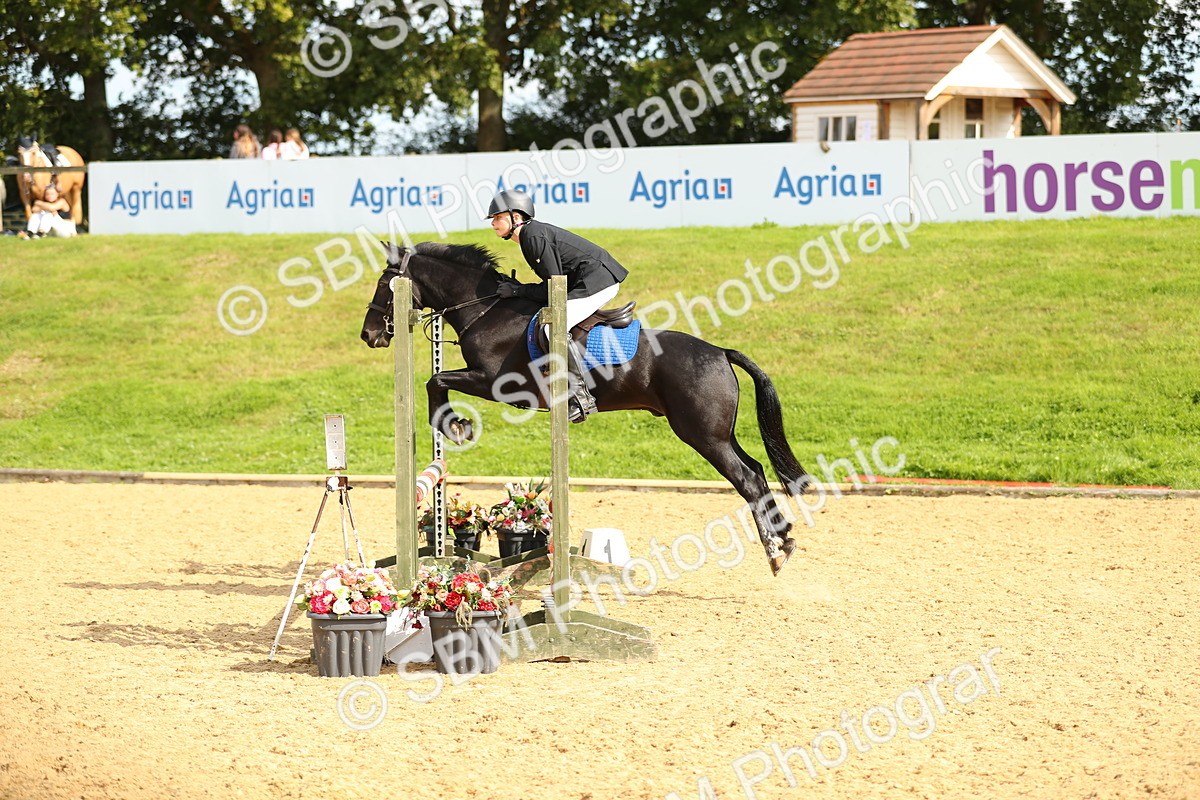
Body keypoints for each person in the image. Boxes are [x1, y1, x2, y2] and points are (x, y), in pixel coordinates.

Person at [485, 188, 629, 423]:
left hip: (597, 281)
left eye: (498, 217)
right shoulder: (530, 235)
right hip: (588, 280)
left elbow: (554, 288)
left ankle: (580, 396)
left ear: (516, 217)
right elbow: (554, 284)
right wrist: (520, 289)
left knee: (552, 328)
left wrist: (518, 290)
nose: (493, 223)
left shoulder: (532, 236)